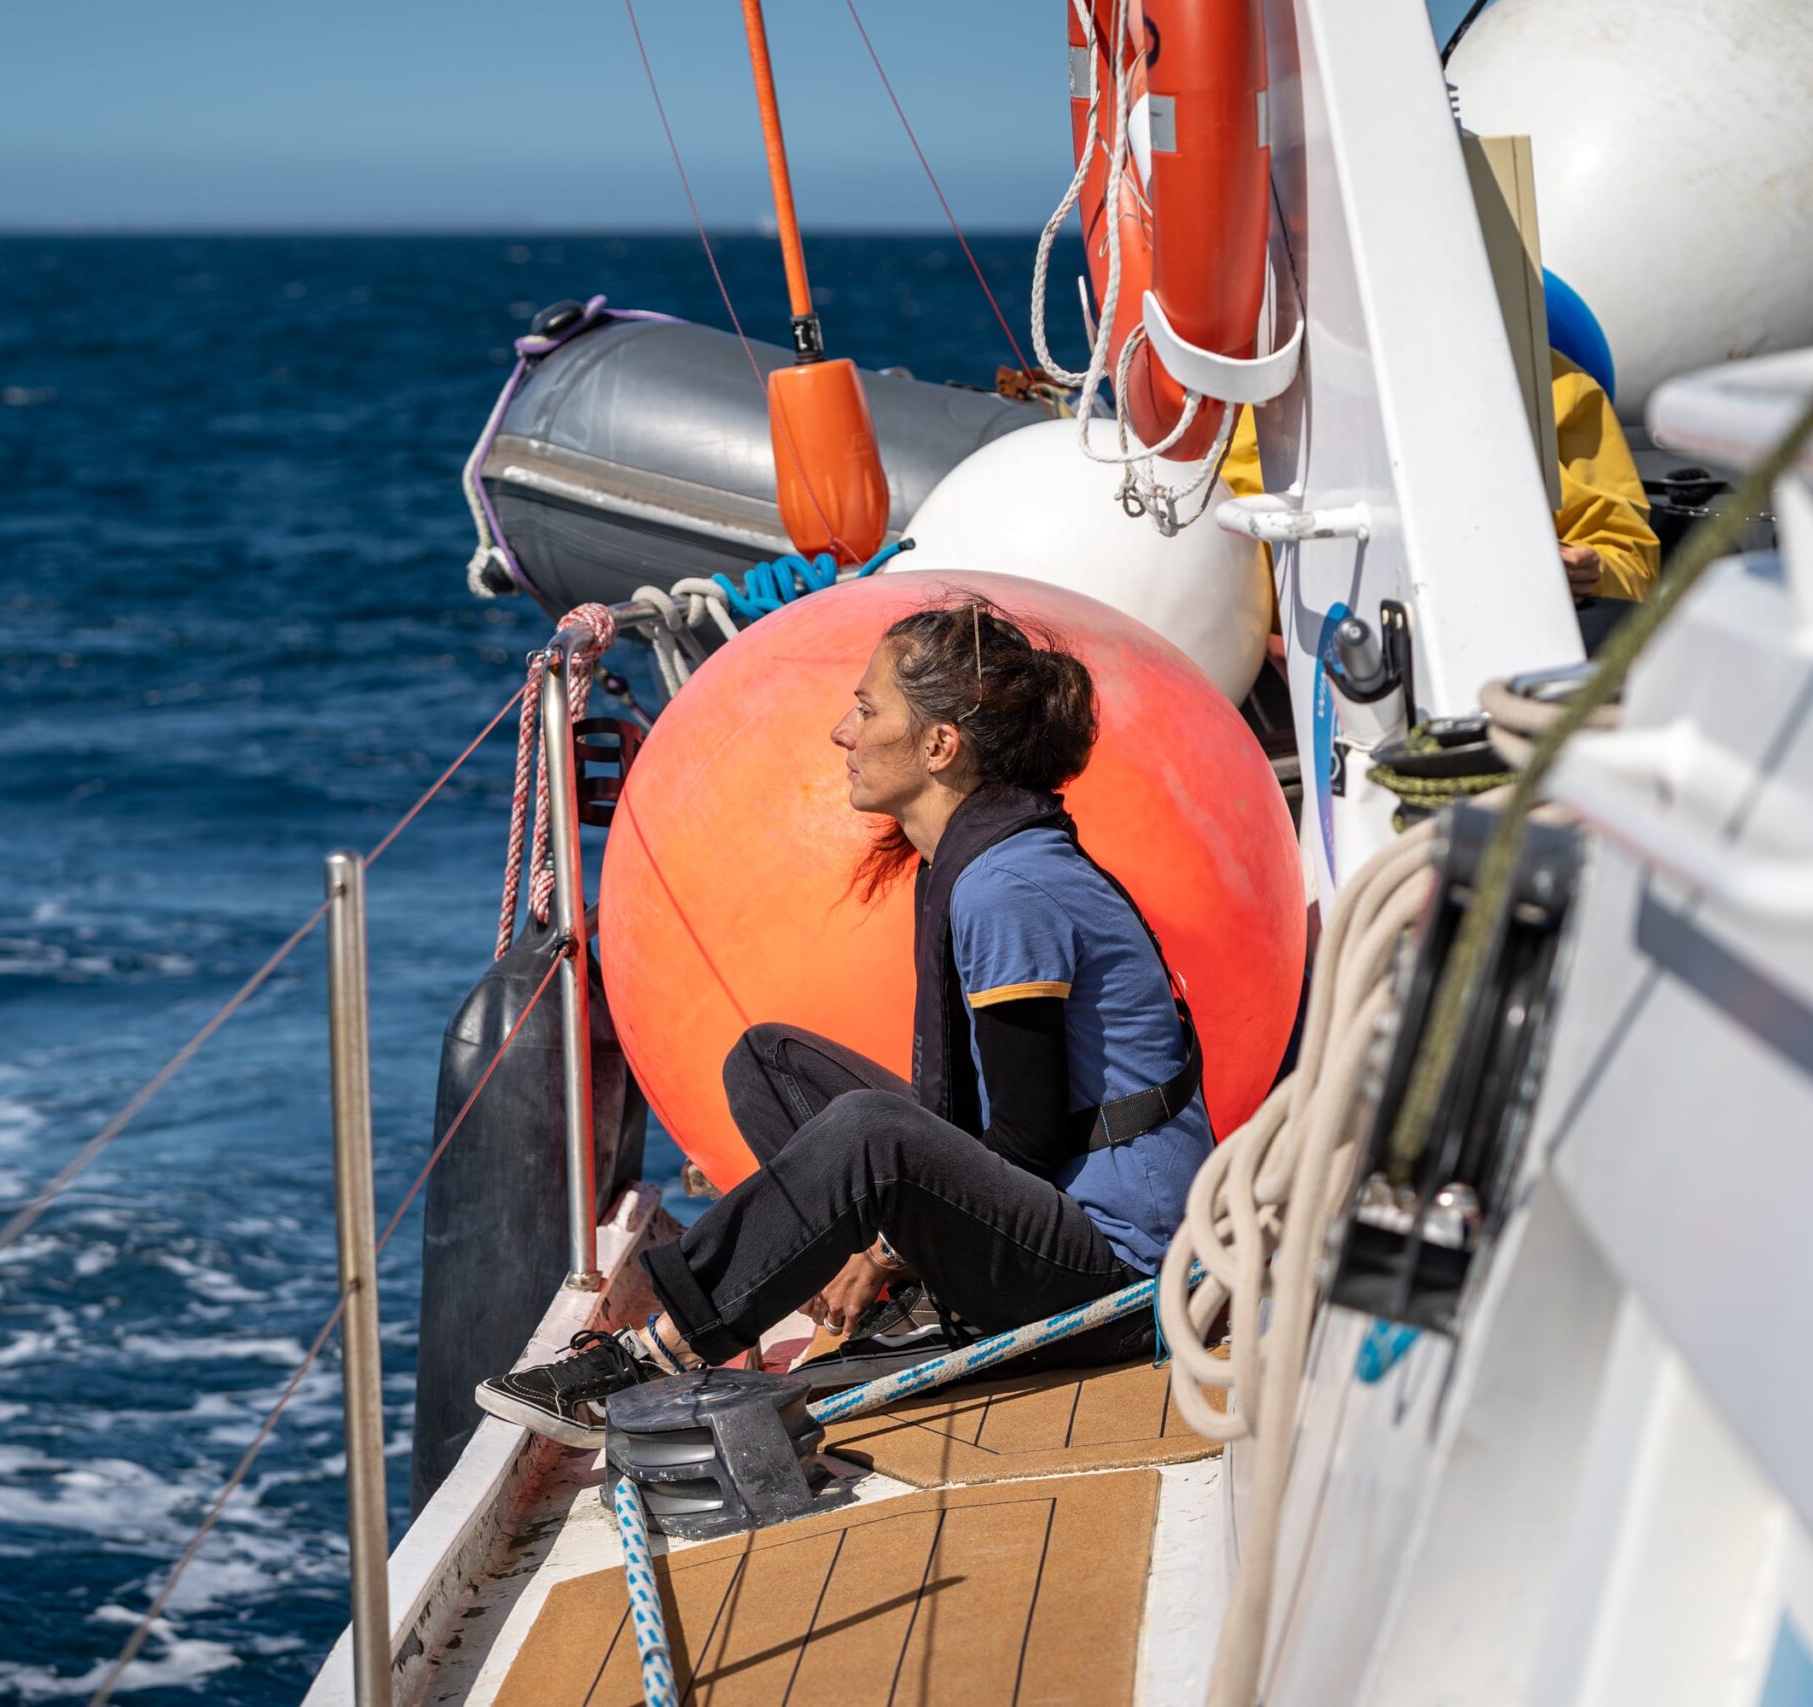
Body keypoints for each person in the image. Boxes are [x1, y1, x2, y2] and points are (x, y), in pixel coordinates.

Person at [475, 600, 1214, 1448]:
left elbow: (1026, 1138)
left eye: (867, 710)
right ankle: (903, 1299)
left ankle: (661, 1350)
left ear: (940, 746)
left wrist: (885, 1247)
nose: (841, 731)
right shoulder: (971, 859)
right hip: (1060, 1225)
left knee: (870, 1133)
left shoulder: (1007, 886)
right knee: (769, 1060)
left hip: (1122, 1279)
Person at [1222, 349, 1659, 616]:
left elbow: (1630, 561)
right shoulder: (1251, 393)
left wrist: (1590, 575)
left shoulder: (1556, 387)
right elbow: (1226, 576)